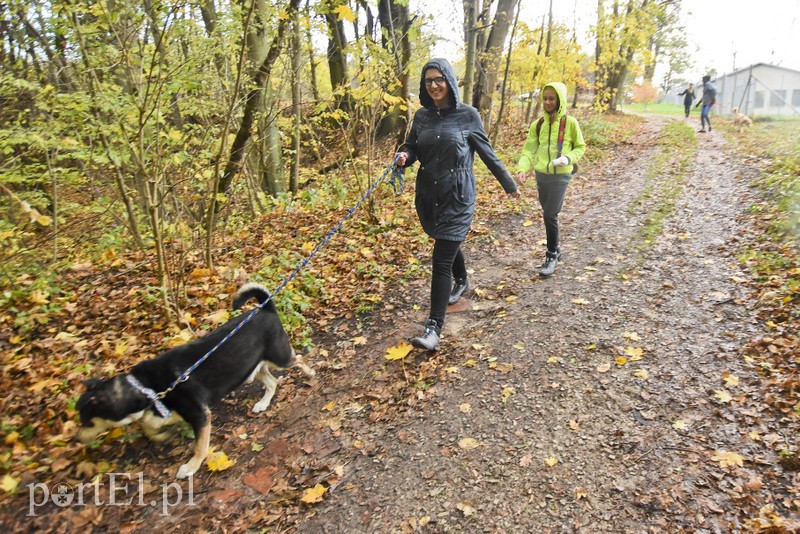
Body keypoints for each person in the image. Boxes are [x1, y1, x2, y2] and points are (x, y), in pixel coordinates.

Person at [395, 58, 520, 351]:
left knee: (440, 260)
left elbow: (488, 153)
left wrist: (509, 184)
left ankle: (433, 328)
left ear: (449, 80)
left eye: (439, 79)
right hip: (429, 196)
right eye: (428, 81)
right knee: (444, 240)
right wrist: (404, 157)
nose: (434, 85)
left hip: (458, 196)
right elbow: (412, 147)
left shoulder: (468, 115)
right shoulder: (421, 116)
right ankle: (462, 278)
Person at [516, 82, 586, 278]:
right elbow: (529, 150)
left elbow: (580, 147)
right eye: (545, 98)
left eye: (551, 98)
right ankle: (557, 248)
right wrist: (523, 168)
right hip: (542, 175)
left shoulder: (570, 123)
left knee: (550, 214)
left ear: (560, 100)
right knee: (548, 214)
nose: (547, 102)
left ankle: (551, 254)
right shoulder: (537, 125)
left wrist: (567, 158)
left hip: (561, 175)